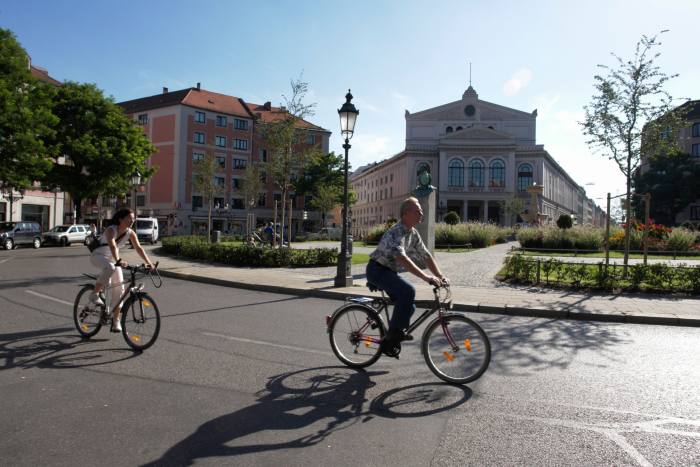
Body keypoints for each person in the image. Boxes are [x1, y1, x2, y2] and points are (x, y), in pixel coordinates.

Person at [366, 197, 449, 356]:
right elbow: (402, 259)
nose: (421, 212)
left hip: (388, 272)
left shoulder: (413, 233)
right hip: (377, 270)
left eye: (421, 210)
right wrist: (427, 278)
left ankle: (394, 335)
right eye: (418, 210)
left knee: (409, 306)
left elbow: (426, 256)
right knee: (408, 291)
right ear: (406, 214)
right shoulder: (397, 231)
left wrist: (440, 276)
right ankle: (391, 337)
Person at [88, 208, 154, 332]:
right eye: (129, 218)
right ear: (121, 219)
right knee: (111, 267)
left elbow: (139, 248)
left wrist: (149, 263)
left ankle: (116, 320)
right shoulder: (111, 230)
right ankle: (94, 294)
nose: (132, 221)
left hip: (113, 260)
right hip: (98, 256)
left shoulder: (130, 232)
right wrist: (119, 260)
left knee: (120, 290)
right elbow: (112, 245)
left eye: (133, 219)